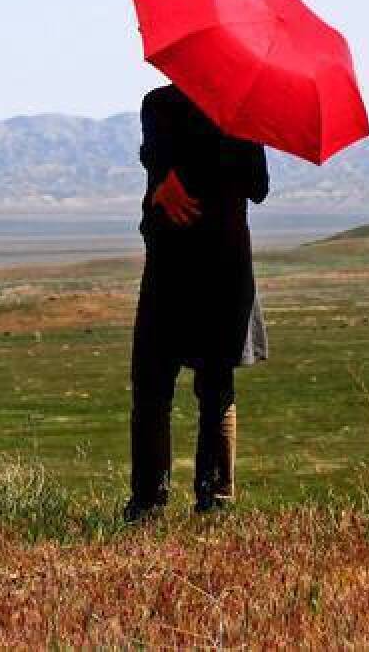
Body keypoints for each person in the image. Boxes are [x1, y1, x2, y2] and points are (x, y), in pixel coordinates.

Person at [124, 83, 269, 522]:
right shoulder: (243, 112)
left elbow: (159, 176)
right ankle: (214, 501)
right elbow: (257, 187)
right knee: (214, 386)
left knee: (154, 384)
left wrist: (167, 186)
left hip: (174, 261)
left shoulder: (158, 104)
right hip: (222, 260)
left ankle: (150, 502)